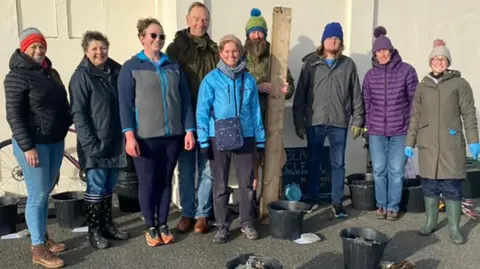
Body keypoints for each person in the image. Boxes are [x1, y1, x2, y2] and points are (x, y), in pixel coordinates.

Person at [118, 17, 195, 247]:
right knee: (148, 182)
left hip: (173, 136)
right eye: (153, 35)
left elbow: (185, 100)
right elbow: (125, 104)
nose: (157, 39)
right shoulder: (131, 67)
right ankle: (150, 226)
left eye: (161, 35)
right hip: (145, 137)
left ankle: (163, 223)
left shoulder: (173, 66)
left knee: (165, 180)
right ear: (142, 38)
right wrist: (129, 135)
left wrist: (189, 130)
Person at [4, 27, 71, 268]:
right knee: (38, 194)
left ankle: (42, 236)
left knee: (46, 193)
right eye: (33, 46)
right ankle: (38, 248)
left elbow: (63, 105)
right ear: (24, 49)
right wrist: (27, 146)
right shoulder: (16, 76)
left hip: (54, 141)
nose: (38, 50)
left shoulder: (50, 73)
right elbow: (14, 115)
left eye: (41, 45)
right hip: (34, 145)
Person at [405, 39, 480, 245]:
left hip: (450, 142)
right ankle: (431, 221)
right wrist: (409, 142)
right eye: (436, 58)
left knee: (451, 187)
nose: (439, 61)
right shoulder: (423, 86)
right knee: (429, 185)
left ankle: (454, 227)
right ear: (430, 61)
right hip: (428, 143)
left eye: (443, 58)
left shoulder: (460, 84)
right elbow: (416, 115)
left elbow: (469, 113)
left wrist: (474, 139)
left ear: (448, 61)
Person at [196, 34, 266, 243]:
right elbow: (202, 110)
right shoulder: (211, 79)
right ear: (220, 54)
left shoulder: (249, 79)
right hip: (218, 136)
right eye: (226, 51)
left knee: (246, 183)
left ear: (240, 52)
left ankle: (246, 222)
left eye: (234, 51)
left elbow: (255, 111)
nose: (231, 55)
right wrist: (203, 140)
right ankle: (222, 225)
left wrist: (260, 139)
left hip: (246, 135)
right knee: (220, 184)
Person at [292, 22, 364, 218]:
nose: (333, 40)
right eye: (330, 37)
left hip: (339, 121)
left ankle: (337, 201)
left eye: (337, 38)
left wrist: (358, 120)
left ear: (341, 42)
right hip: (315, 120)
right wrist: (299, 123)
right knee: (314, 161)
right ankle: (312, 198)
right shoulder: (311, 63)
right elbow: (300, 95)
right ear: (323, 41)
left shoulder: (348, 64)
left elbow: (356, 93)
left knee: (338, 163)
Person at [69, 31, 130, 249]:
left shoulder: (116, 71)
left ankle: (107, 226)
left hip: (115, 141)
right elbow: (79, 114)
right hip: (94, 142)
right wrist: (89, 144)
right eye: (94, 48)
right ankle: (94, 232)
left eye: (102, 47)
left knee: (108, 186)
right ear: (86, 51)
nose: (99, 52)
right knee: (95, 188)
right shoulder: (81, 77)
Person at [165, 1, 218, 234]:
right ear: (187, 20)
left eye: (205, 19)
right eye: (196, 19)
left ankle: (202, 214)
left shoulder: (216, 49)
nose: (200, 23)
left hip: (210, 119)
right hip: (184, 119)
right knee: (186, 169)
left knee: (207, 169)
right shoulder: (174, 49)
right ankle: (187, 212)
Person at [362, 26, 418, 221]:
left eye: (385, 50)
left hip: (400, 130)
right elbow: (367, 102)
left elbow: (414, 100)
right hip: (377, 131)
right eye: (378, 51)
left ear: (391, 50)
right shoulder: (370, 76)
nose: (382, 54)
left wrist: (412, 126)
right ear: (375, 54)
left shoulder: (407, 71)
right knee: (378, 169)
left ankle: (393, 206)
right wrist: (368, 125)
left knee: (396, 170)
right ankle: (381, 204)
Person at [243, 8, 294, 194]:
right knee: (251, 165)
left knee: (274, 162)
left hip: (272, 120)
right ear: (248, 35)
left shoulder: (276, 56)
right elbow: (235, 86)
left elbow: (289, 83)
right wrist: (257, 88)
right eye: (253, 32)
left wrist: (287, 89)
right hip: (248, 121)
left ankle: (271, 201)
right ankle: (252, 204)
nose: (256, 36)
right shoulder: (241, 57)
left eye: (259, 31)